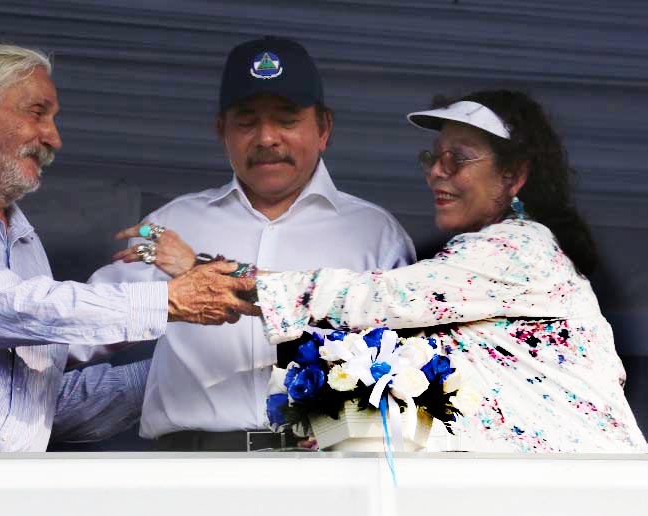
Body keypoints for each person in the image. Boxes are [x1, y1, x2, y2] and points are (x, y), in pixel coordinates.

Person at [0, 44, 257, 453]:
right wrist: (169, 301)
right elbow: (0, 308)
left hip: (3, 484)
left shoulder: (26, 244)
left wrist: (194, 369)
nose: (54, 137)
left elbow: (35, 402)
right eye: (37, 112)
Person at [255, 90, 648, 452]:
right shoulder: (485, 267)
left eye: (457, 159)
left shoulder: (517, 249)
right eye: (433, 158)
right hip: (562, 483)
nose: (436, 172)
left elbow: (381, 298)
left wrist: (247, 285)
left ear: (513, 175)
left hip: (587, 486)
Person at [81, 36, 414, 450]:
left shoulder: (374, 233)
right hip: (191, 467)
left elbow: (410, 367)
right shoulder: (172, 224)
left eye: (287, 120)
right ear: (221, 130)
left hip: (326, 466)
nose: (267, 138)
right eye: (246, 122)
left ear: (324, 128)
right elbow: (85, 325)